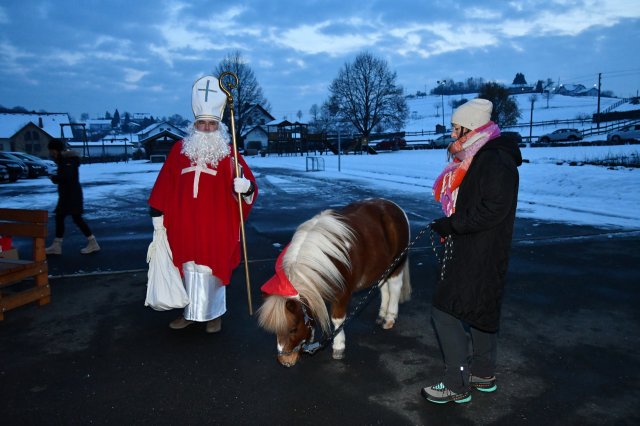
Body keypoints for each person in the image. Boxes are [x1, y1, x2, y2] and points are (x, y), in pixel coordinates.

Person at [422, 98, 522, 404]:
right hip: (480, 247)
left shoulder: (494, 159)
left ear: (472, 127)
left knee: (445, 311)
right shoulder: (482, 156)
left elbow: (493, 208)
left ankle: (456, 383)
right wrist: (452, 224)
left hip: (479, 250)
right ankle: (482, 372)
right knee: (479, 311)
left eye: (456, 128)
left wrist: (452, 225)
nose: (453, 135)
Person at [148, 75, 258, 334]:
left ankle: (213, 315)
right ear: (193, 126)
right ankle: (188, 312)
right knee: (186, 267)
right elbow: (165, 182)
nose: (206, 128)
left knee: (211, 269)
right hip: (183, 222)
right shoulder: (179, 150)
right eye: (202, 124)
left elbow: (249, 184)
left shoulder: (229, 154)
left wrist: (246, 188)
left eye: (211, 124)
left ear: (219, 127)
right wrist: (158, 214)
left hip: (216, 223)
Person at [45, 138, 100, 255]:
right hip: (68, 195)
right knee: (61, 217)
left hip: (71, 195)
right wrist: (56, 178)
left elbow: (67, 177)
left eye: (52, 150)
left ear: (56, 150)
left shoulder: (68, 160)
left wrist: (54, 178)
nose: (51, 153)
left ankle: (93, 243)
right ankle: (57, 245)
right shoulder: (64, 160)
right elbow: (65, 177)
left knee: (76, 218)